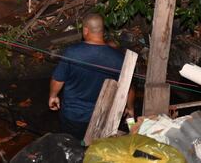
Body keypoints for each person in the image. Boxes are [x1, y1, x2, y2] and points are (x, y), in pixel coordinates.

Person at [48, 12, 135, 140]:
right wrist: (130, 108)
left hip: (73, 116)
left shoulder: (72, 53)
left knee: (73, 147)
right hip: (102, 117)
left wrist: (53, 96)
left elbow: (58, 79)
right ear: (102, 31)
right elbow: (129, 88)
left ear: (85, 30)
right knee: (97, 149)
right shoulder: (119, 58)